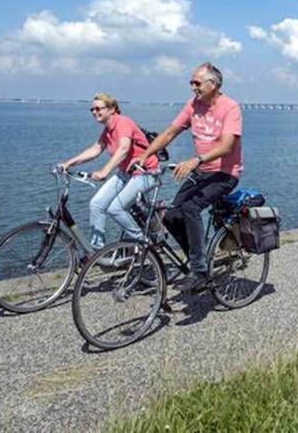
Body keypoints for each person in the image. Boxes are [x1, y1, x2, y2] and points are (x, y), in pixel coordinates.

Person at [130, 62, 243, 293]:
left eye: (197, 83)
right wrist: (145, 155)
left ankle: (199, 271)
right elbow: (170, 132)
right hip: (200, 172)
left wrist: (196, 160)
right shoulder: (193, 105)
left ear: (213, 84)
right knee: (171, 217)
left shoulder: (230, 108)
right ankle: (196, 260)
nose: (192, 87)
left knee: (190, 208)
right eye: (191, 82)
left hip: (224, 174)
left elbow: (227, 146)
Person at [58, 93, 159, 250]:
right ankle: (98, 251)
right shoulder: (108, 130)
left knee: (115, 208)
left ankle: (145, 243)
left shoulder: (123, 123)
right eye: (91, 109)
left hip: (145, 173)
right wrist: (68, 163)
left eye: (98, 108)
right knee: (96, 205)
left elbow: (124, 148)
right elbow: (96, 149)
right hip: (126, 174)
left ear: (112, 109)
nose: (94, 112)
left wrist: (105, 171)